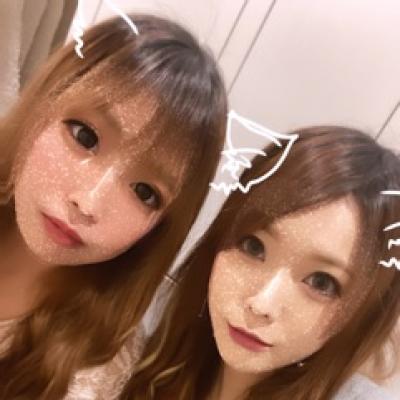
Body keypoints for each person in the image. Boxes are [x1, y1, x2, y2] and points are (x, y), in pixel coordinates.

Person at [0, 14, 227, 399]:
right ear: (45, 98)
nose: (88, 202)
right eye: (85, 136)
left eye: (144, 192)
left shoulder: (93, 374)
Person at [124, 126, 400, 400]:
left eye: (321, 283)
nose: (261, 305)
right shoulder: (143, 343)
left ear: (365, 314)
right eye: (253, 246)